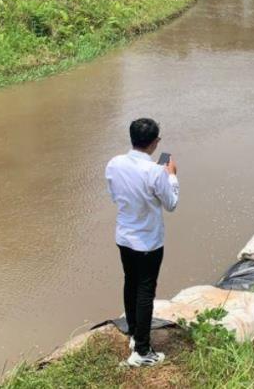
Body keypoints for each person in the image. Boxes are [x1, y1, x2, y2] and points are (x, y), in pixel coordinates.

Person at [105, 118, 179, 367]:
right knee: (146, 291)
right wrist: (172, 177)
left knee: (131, 283)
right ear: (155, 142)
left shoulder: (114, 163)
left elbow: (115, 195)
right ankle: (143, 351)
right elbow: (171, 204)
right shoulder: (156, 172)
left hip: (124, 237)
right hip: (148, 242)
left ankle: (134, 334)